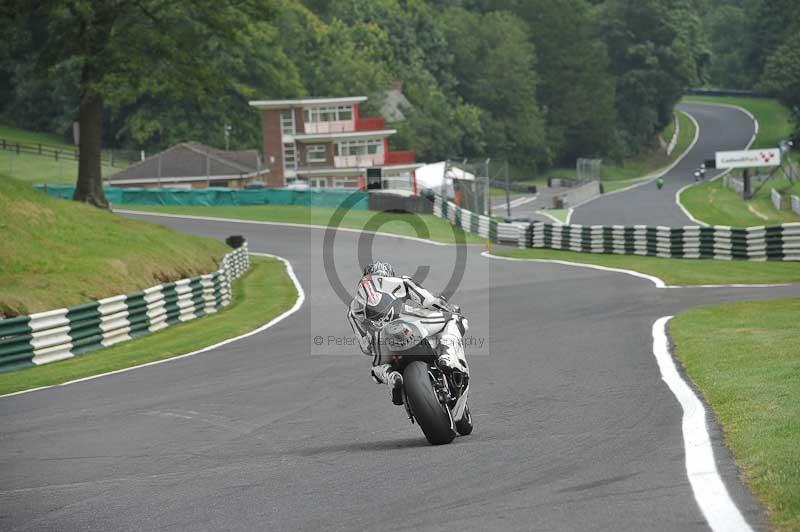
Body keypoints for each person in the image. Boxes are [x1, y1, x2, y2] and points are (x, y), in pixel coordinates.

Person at [347, 261, 468, 404]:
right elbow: (429, 301)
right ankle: (447, 357)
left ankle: (391, 377)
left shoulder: (354, 309)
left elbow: (366, 348)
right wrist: (448, 307)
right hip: (413, 324)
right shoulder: (400, 281)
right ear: (389, 274)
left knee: (376, 370)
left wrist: (377, 335)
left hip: (382, 340)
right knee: (456, 320)